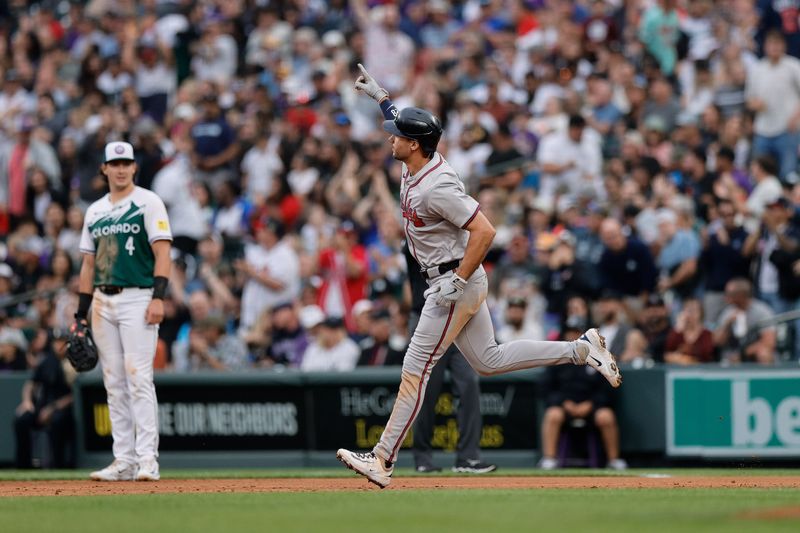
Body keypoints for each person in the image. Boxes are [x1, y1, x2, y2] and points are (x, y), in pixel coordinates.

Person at [336, 65, 621, 489]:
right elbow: (408, 124)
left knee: (415, 369)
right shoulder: (417, 157)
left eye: (396, 134)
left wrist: (458, 279)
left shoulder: (438, 186)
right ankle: (581, 350)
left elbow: (485, 230)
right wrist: (382, 98)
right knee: (489, 360)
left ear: (414, 145)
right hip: (452, 278)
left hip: (453, 281)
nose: (389, 137)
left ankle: (382, 459)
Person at [76, 141, 173, 481]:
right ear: (104, 168)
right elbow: (88, 265)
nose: (120, 168)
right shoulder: (95, 210)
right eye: (114, 163)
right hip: (103, 300)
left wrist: (158, 296)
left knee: (138, 378)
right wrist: (79, 314)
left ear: (134, 167)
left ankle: (148, 459)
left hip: (138, 296)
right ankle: (124, 460)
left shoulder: (148, 201)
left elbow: (163, 253)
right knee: (114, 382)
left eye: (126, 163)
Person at [403, 244, 496, 474]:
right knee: (426, 389)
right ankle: (422, 458)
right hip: (429, 318)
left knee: (469, 384)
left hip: (460, 319)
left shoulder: (453, 235)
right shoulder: (418, 238)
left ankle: (468, 458)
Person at [538, 316, 627, 471]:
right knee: (553, 414)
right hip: (564, 406)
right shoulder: (556, 358)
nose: (573, 336)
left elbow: (608, 388)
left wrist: (591, 404)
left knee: (606, 416)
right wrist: (564, 402)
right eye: (570, 332)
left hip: (592, 406)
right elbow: (546, 388)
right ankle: (549, 459)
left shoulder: (599, 357)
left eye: (577, 332)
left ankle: (614, 460)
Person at [14, 328, 75, 469]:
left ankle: (58, 466)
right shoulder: (47, 360)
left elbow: (74, 395)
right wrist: (27, 401)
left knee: (58, 421)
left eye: (62, 341)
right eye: (56, 342)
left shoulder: (74, 361)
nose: (59, 345)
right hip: (43, 406)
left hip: (63, 408)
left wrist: (52, 408)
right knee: (22, 420)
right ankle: (23, 467)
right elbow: (30, 384)